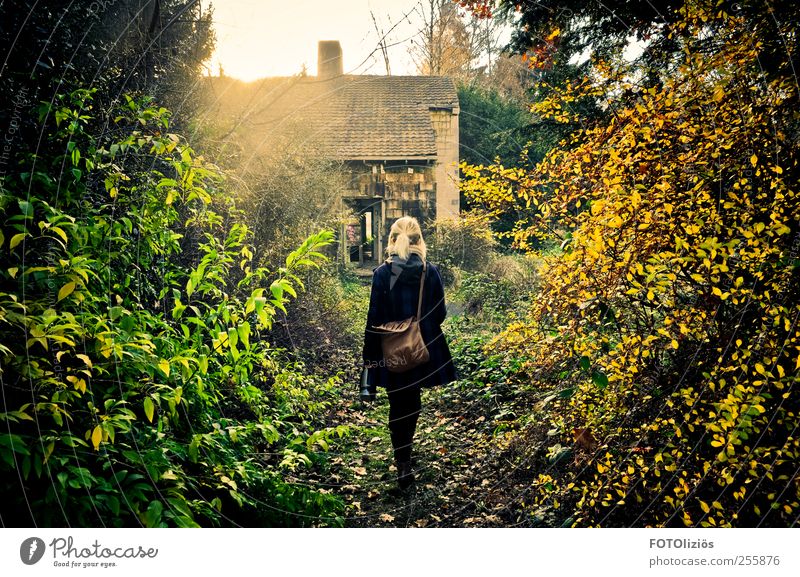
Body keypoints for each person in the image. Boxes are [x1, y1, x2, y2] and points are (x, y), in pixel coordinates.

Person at [362, 216, 457, 489]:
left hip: (390, 350)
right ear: (419, 240)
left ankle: (402, 461)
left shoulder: (382, 273)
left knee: (397, 404)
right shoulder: (430, 271)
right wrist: (419, 327)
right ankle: (407, 453)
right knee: (412, 403)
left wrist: (369, 363)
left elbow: (373, 319)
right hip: (419, 349)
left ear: (392, 240)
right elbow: (439, 313)